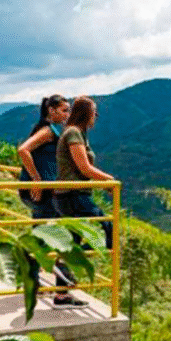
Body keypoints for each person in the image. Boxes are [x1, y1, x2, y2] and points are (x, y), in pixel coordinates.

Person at [17, 94, 85, 306]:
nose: (67, 115)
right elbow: (23, 149)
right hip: (44, 191)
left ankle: (33, 281)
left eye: (68, 111)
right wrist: (36, 179)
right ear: (52, 111)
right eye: (64, 110)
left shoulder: (53, 130)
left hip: (46, 190)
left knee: (42, 236)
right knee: (64, 237)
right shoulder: (47, 130)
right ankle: (61, 293)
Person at [54, 96, 114, 251]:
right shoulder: (73, 133)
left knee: (73, 239)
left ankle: (65, 271)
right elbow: (84, 167)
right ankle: (66, 265)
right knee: (107, 231)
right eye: (94, 112)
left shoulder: (78, 133)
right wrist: (109, 180)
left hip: (73, 194)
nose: (96, 116)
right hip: (72, 194)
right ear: (86, 113)